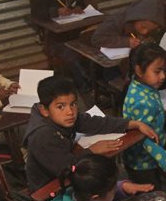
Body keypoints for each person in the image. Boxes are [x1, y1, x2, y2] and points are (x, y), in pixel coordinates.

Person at [22, 76, 155, 193]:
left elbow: (95, 122)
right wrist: (92, 151)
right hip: (51, 191)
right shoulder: (42, 135)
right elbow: (67, 169)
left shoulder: (61, 118)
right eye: (60, 107)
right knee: (104, 183)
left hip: (64, 176)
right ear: (44, 110)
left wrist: (132, 124)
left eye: (73, 104)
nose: (70, 112)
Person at [122, 43, 166, 189]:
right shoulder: (142, 102)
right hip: (142, 162)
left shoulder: (140, 85)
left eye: (164, 71)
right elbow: (144, 140)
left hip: (149, 156)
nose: (163, 76)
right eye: (157, 71)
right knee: (152, 196)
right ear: (139, 70)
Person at [92, 0, 164, 50]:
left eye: (150, 30)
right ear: (135, 18)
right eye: (143, 27)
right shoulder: (116, 21)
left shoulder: (151, 24)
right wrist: (126, 42)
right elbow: (96, 39)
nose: (145, 32)